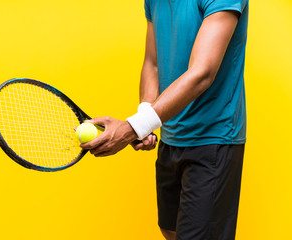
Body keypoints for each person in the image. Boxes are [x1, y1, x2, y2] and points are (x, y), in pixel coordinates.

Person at [81, 0, 248, 239]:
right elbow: (153, 64)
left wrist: (133, 127)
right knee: (171, 230)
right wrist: (143, 121)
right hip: (171, 136)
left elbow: (202, 72)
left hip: (213, 138)